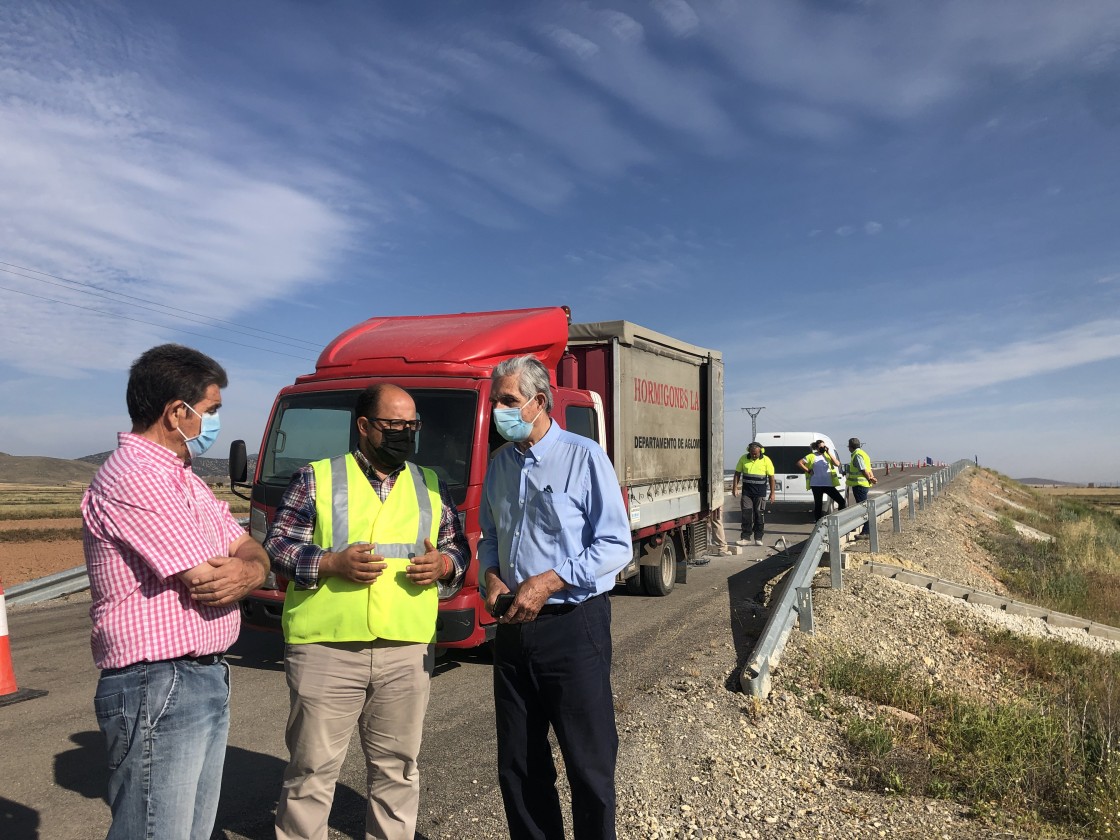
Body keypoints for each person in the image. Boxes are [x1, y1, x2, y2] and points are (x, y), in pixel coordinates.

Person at [264, 383, 470, 840]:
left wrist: (445, 564)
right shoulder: (316, 477)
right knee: (311, 772)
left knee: (397, 771)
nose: (404, 433)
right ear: (363, 426)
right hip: (326, 650)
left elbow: (458, 549)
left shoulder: (430, 483)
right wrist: (331, 563)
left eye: (411, 426)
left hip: (405, 649)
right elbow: (277, 546)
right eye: (393, 425)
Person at [81, 343, 269, 840]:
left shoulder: (184, 479)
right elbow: (207, 578)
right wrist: (248, 569)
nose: (215, 424)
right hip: (158, 682)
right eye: (210, 411)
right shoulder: (134, 477)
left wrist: (251, 568)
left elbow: (249, 547)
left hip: (196, 676)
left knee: (189, 831)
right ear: (176, 412)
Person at [477, 354, 631, 840]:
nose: (498, 409)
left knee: (589, 764)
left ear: (538, 403)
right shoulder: (500, 465)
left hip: (573, 627)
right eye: (495, 399)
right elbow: (488, 538)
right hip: (513, 631)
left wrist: (550, 580)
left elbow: (615, 545)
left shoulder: (584, 458)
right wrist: (490, 577)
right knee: (519, 765)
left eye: (508, 400)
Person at [732, 442, 776, 546]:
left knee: (758, 514)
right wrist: (735, 487)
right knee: (746, 514)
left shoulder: (766, 460)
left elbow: (771, 477)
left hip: (760, 493)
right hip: (747, 492)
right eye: (752, 453)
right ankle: (745, 538)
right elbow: (737, 473)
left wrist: (772, 493)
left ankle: (758, 537)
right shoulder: (743, 458)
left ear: (760, 451)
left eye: (755, 453)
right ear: (749, 451)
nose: (754, 455)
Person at [797, 439, 847, 520]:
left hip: (828, 484)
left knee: (841, 501)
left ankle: (839, 520)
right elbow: (799, 463)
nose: (823, 448)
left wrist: (829, 453)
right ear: (817, 448)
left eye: (824, 446)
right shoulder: (812, 456)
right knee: (818, 505)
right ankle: (818, 524)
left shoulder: (827, 456)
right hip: (816, 484)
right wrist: (808, 470)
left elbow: (837, 464)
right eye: (821, 447)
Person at [847, 437, 877, 534]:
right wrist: (872, 477)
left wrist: (869, 478)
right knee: (863, 507)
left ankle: (866, 531)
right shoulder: (864, 454)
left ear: (851, 447)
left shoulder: (856, 455)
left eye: (848, 446)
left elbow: (863, 469)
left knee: (863, 508)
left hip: (859, 485)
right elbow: (868, 468)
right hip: (863, 484)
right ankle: (865, 529)